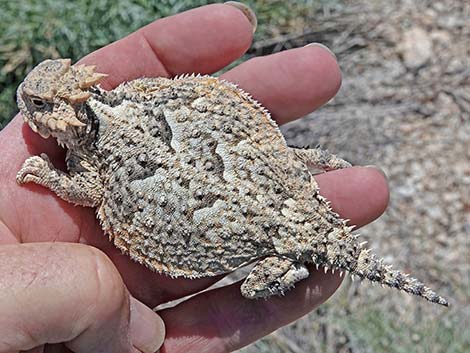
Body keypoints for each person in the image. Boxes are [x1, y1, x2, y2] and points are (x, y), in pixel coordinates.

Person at [0, 3, 389, 353]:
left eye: (38, 105)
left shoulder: (94, 144)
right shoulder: (134, 92)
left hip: (255, 220)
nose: (27, 105)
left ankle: (292, 261)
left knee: (255, 289)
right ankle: (296, 173)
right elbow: (176, 97)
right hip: (262, 194)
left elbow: (89, 190)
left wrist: (53, 177)